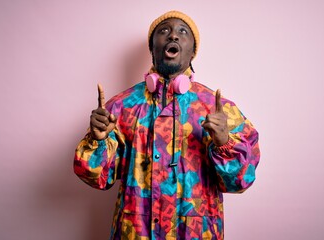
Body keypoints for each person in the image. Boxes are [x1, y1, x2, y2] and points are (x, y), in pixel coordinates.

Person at [74, 10, 260, 239]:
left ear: (193, 51)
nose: (173, 36)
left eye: (183, 32)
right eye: (164, 31)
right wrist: (98, 141)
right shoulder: (121, 107)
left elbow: (241, 180)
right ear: (152, 49)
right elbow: (97, 178)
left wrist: (224, 141)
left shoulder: (218, 109)